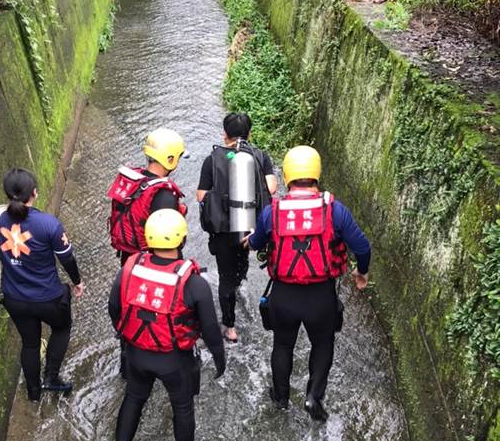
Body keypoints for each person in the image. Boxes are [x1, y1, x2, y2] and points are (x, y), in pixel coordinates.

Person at [244, 145, 370, 422]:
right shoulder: (335, 211)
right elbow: (362, 246)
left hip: (284, 296)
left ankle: (280, 399)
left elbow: (255, 243)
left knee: (283, 345)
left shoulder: (272, 212)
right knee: (323, 344)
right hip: (320, 297)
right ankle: (313, 397)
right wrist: (361, 273)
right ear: (316, 173)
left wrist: (252, 239)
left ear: (287, 175)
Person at [106, 209, 226, 441]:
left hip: (136, 354)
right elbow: (209, 329)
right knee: (182, 407)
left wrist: (127, 339)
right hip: (174, 360)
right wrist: (220, 360)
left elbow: (114, 308)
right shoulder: (194, 282)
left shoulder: (130, 267)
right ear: (182, 240)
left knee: (133, 399)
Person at [0, 168, 85, 402]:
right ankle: (51, 378)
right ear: (34, 193)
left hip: (15, 299)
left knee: (30, 343)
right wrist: (77, 282)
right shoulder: (48, 224)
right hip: (48, 298)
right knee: (61, 329)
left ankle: (33, 392)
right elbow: (67, 259)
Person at [196, 112, 277, 343]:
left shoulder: (212, 159)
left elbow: (201, 195)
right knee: (242, 263)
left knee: (225, 277)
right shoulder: (260, 156)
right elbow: (271, 188)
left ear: (225, 135)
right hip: (252, 227)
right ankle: (240, 284)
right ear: (250, 134)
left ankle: (229, 327)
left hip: (223, 230)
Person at [108, 127, 188, 266]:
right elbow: (168, 242)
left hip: (128, 258)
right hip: (151, 263)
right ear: (170, 159)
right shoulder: (165, 195)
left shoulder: (134, 181)